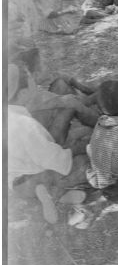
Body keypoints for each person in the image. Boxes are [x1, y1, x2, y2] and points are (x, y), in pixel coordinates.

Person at [7, 64, 89, 224]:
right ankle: (56, 191)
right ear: (23, 93)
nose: (33, 78)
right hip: (34, 178)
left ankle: (47, 193)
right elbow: (58, 161)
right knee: (86, 162)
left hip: (15, 185)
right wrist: (80, 147)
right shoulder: (24, 126)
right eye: (30, 77)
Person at [9, 48, 99, 147]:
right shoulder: (30, 100)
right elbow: (67, 102)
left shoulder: (25, 91)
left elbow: (58, 77)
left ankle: (91, 111)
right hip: (49, 139)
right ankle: (100, 124)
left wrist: (84, 88)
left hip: (47, 121)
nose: (46, 65)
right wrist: (90, 100)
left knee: (60, 84)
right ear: (35, 75)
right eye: (42, 64)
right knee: (71, 104)